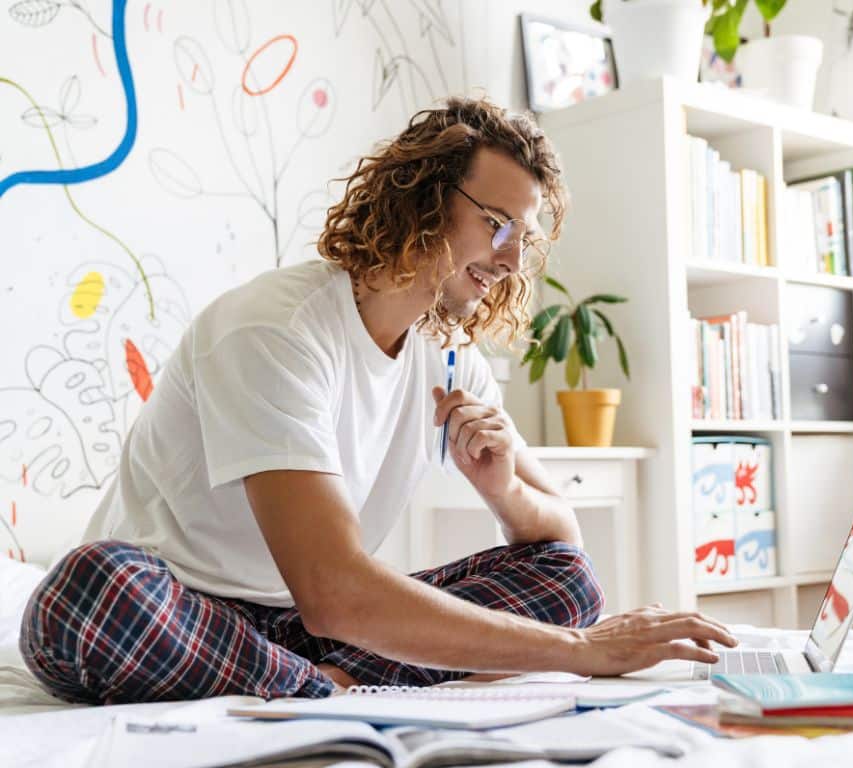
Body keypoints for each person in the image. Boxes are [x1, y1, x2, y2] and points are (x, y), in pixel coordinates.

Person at [20, 96, 737, 705]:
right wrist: (581, 651)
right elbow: (334, 589)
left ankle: (307, 682)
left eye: (525, 237)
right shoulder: (277, 328)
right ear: (422, 199)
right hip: (178, 608)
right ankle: (324, 687)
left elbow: (561, 539)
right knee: (89, 591)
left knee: (567, 578)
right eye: (498, 224)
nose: (514, 260)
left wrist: (504, 491)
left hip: (302, 631)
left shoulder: (449, 356)